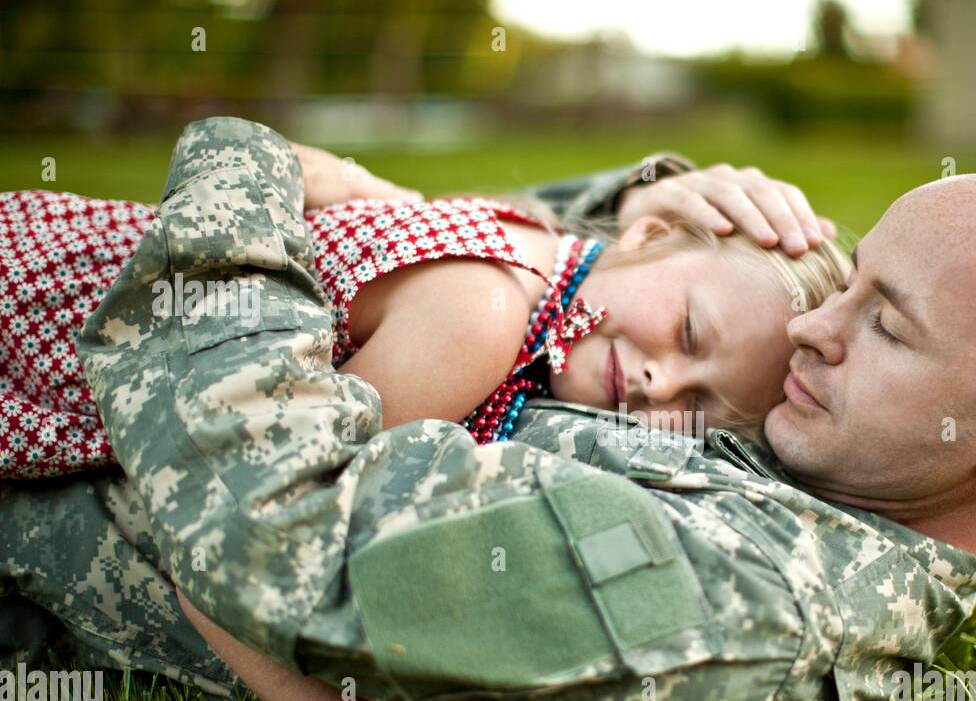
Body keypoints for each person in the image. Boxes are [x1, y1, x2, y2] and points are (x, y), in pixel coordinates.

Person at [3, 117, 976, 701]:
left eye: (883, 324)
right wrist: (630, 214)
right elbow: (527, 297)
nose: (812, 331)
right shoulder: (851, 445)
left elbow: (260, 529)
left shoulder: (742, 606)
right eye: (846, 281)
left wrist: (233, 185)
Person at [0, 138, 848, 480]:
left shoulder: (530, 238)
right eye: (692, 333)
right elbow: (267, 513)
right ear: (648, 227)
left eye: (700, 405)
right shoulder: (481, 316)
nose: (664, 383)